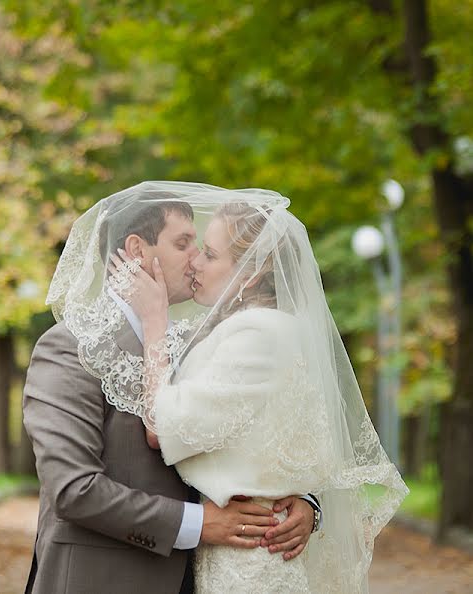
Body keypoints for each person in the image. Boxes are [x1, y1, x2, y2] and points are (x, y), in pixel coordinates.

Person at [22, 182, 320, 594]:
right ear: (138, 250)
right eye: (184, 243)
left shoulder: (204, 340)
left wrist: (307, 503)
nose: (197, 258)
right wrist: (199, 525)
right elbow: (73, 490)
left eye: (204, 248)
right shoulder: (70, 346)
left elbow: (280, 431)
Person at [113, 197, 407, 593]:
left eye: (211, 254)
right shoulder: (249, 327)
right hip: (240, 547)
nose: (196, 262)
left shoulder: (258, 334)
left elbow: (162, 429)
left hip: (250, 559)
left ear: (250, 275)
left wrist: (153, 324)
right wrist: (308, 502)